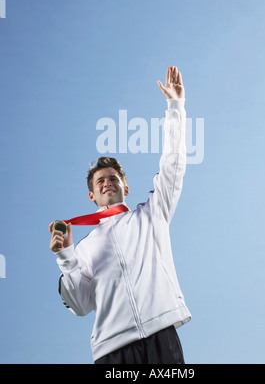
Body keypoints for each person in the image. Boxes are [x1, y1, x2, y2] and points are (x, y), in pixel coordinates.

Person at [49, 66, 191, 364]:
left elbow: (172, 165)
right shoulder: (84, 247)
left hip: (160, 333)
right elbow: (80, 305)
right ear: (92, 196)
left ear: (125, 186)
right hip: (112, 350)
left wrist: (175, 107)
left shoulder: (152, 215)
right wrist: (66, 257)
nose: (107, 183)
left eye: (113, 178)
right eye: (100, 181)